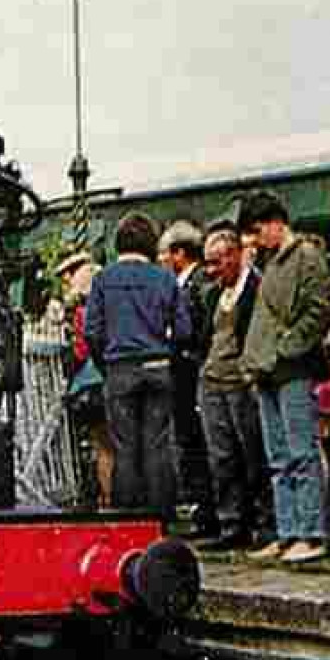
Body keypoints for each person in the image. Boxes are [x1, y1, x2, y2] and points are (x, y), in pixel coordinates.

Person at [238, 191, 330, 565]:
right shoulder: (271, 263)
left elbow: (319, 311)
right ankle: (289, 530)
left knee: (300, 451)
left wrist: (285, 346)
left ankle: (311, 533)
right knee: (279, 456)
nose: (255, 238)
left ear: (276, 221)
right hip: (268, 370)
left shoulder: (306, 257)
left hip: (290, 369)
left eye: (258, 229)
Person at [85, 212, 191, 517]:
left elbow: (92, 331)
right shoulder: (165, 278)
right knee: (158, 445)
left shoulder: (104, 279)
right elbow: (183, 330)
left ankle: (127, 519)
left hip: (120, 369)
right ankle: (160, 518)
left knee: (124, 446)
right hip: (158, 366)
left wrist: (106, 364)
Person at [196, 225, 266, 550]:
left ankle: (262, 521)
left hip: (241, 380)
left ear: (236, 255)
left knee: (252, 451)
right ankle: (231, 523)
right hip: (212, 381)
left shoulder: (256, 288)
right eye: (207, 263)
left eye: (217, 262)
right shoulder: (213, 295)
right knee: (220, 455)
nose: (211, 271)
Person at [158, 219, 218, 536]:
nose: (162, 260)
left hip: (190, 373)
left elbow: (194, 329)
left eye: (165, 254)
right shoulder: (186, 284)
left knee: (196, 442)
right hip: (185, 374)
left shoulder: (196, 284)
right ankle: (203, 510)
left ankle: (208, 512)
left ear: (179, 253)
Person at [58, 250, 113, 506]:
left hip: (89, 383)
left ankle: (107, 500)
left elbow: (81, 349)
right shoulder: (108, 306)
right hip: (109, 378)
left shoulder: (80, 311)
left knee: (103, 446)